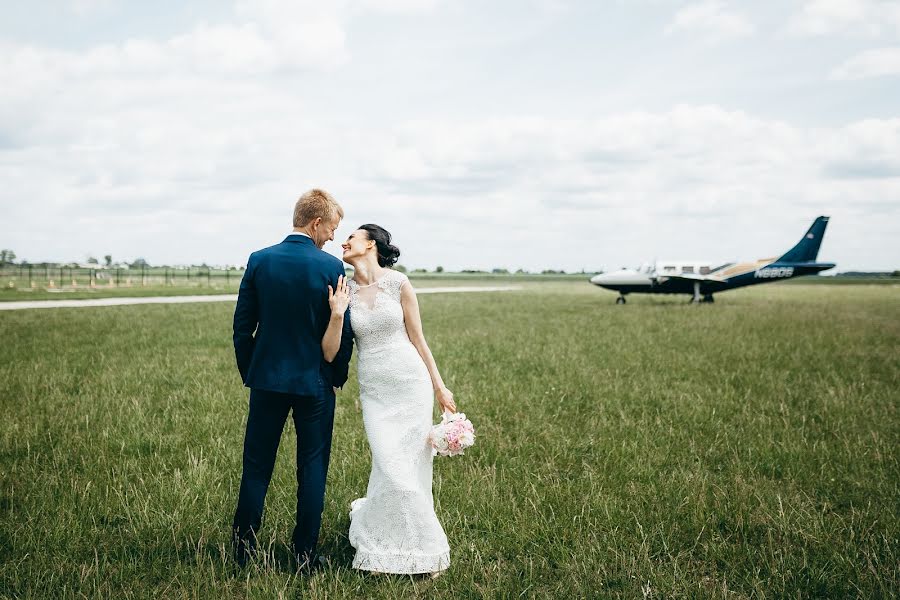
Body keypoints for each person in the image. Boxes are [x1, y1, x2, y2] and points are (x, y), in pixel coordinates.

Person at [322, 223, 456, 577]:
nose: (344, 242)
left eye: (352, 238)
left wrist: (440, 388)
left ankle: (422, 550)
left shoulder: (400, 284)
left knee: (409, 468)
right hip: (375, 389)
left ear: (370, 245)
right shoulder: (343, 288)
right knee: (388, 464)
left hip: (411, 384)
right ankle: (381, 540)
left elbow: (418, 339)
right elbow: (332, 350)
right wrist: (336, 313)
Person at [231, 189, 354, 569]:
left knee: (256, 466)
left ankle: (243, 551)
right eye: (332, 228)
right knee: (312, 467)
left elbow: (241, 328)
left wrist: (253, 371)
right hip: (314, 384)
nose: (333, 237)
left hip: (266, 380)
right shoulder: (331, 268)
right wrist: (335, 376)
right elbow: (342, 331)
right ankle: (304, 554)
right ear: (316, 223)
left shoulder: (259, 260)